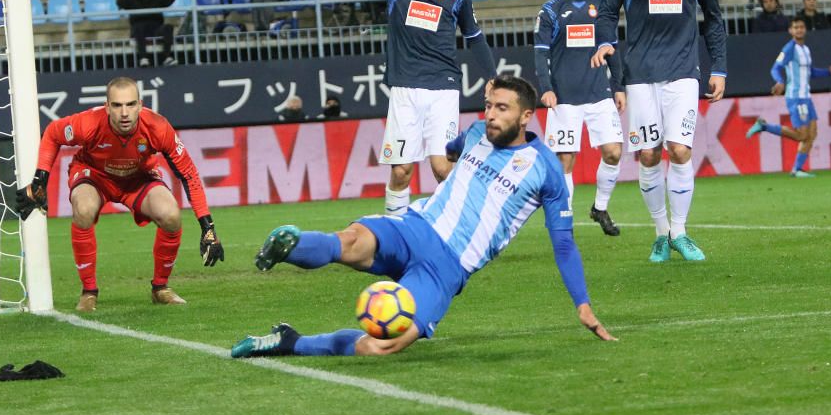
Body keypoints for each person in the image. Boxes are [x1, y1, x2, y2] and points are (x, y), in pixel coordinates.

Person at [230, 75, 616, 358]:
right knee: (350, 242)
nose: (492, 115)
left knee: (382, 346)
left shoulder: (546, 169)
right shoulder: (476, 131)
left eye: (502, 108)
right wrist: (452, 156)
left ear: (527, 116)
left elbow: (563, 242)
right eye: (489, 106)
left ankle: (289, 341)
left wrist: (582, 303)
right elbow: (452, 148)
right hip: (415, 226)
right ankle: (291, 244)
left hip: (448, 267)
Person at [291, 0, 497, 215]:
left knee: (443, 169)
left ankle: (455, 235)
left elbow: (474, 37)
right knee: (401, 172)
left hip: (443, 90)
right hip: (404, 91)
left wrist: (492, 76)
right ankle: (396, 236)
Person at [13, 77, 224, 311]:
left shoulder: (158, 127)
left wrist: (208, 227)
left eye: (131, 104)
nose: (124, 112)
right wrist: (40, 179)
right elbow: (53, 133)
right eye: (117, 105)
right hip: (95, 176)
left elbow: (189, 174)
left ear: (140, 105)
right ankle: (88, 292)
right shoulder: (88, 123)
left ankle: (160, 288)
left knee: (172, 215)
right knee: (83, 209)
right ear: (107, 106)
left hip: (138, 178)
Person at [592, 0, 728, 263]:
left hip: (683, 73)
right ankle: (660, 233)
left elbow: (714, 19)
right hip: (639, 76)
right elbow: (606, 12)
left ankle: (680, 232)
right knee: (649, 155)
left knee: (680, 150)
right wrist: (606, 41)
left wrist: (719, 68)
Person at [536, 0, 624, 234]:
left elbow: (614, 51)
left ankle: (600, 208)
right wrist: (546, 89)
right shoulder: (550, 10)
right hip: (564, 99)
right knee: (565, 160)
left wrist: (619, 86)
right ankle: (564, 220)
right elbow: (540, 53)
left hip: (599, 95)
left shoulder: (602, 8)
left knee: (613, 152)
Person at [747, 17, 831, 177]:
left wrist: (828, 71)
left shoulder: (805, 49)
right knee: (802, 135)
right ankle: (764, 126)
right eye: (796, 27)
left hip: (806, 96)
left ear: (805, 29)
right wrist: (780, 81)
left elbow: (810, 72)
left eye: (801, 27)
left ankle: (797, 169)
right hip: (796, 97)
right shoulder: (789, 48)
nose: (799, 30)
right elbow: (775, 68)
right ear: (790, 31)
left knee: (812, 134)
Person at [115, 0, 177, 66]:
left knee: (168, 27)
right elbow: (120, 2)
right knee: (138, 27)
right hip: (139, 29)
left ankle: (167, 57)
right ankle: (143, 58)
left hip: (156, 28)